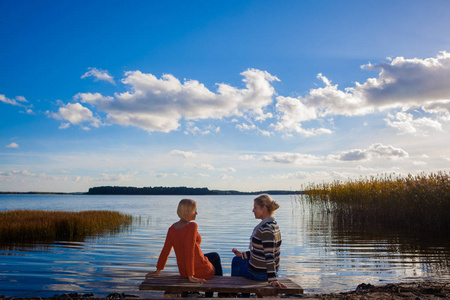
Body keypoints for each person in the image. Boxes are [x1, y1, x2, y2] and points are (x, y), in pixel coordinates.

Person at [146, 199, 222, 284]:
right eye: (195, 210)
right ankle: (221, 293)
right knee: (216, 259)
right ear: (188, 212)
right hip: (198, 271)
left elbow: (165, 251)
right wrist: (191, 276)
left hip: (183, 271)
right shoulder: (192, 226)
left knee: (214, 256)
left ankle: (211, 292)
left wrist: (158, 271)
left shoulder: (172, 228)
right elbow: (189, 252)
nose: (196, 213)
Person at [231, 194, 286, 288]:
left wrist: (273, 280)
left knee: (236, 261)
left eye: (255, 208)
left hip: (261, 274)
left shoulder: (265, 229)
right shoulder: (274, 225)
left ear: (264, 209)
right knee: (239, 258)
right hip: (266, 271)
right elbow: (261, 251)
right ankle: (243, 294)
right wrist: (243, 255)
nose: (253, 210)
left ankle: (233, 292)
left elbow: (269, 256)